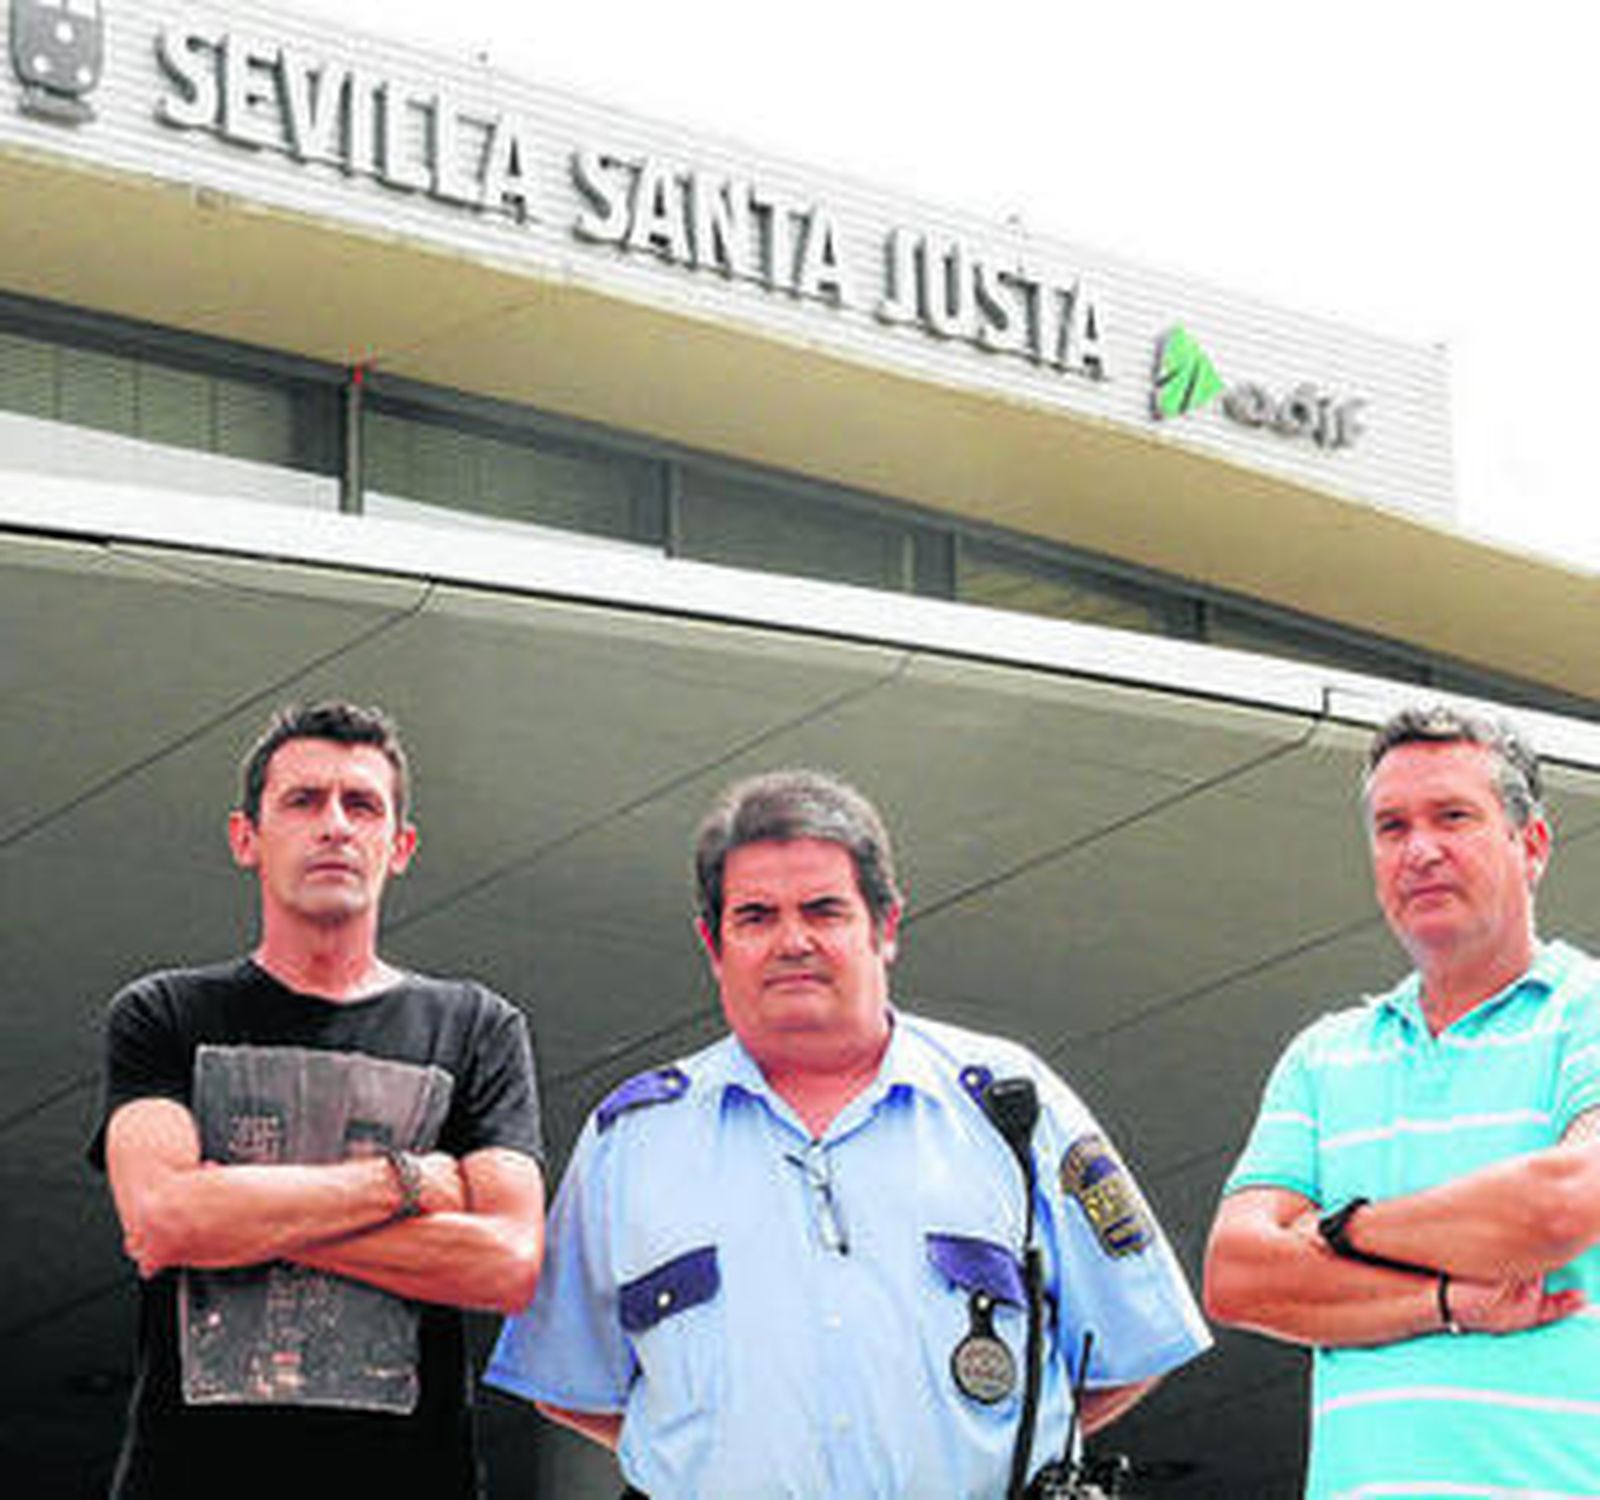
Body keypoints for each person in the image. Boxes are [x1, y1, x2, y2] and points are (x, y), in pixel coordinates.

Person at [486, 768, 1209, 1498]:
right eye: (756, 917)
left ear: (885, 928)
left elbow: (1131, 1344)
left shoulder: (1011, 1103)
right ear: (713, 944)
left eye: (825, 910)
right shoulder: (632, 1138)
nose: (792, 940)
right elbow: (570, 1382)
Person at [90, 701, 546, 1500]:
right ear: (246, 838)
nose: (334, 825)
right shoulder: (163, 1015)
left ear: (399, 847)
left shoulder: (478, 1027)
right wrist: (404, 1184)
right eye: (303, 801)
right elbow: (162, 1220)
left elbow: (507, 1263)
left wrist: (238, 1216)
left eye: (361, 805)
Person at [1205, 703, 1600, 1496]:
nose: (1419, 849)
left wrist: (1342, 1231)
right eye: (1392, 827)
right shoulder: (1323, 1055)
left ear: (1532, 846)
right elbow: (1238, 1276)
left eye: (1453, 816)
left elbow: (1564, 1205)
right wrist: (1448, 1299)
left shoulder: (1587, 1010)